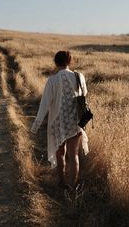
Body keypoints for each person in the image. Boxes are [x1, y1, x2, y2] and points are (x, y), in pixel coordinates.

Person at [30, 51, 89, 189]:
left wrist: (36, 125)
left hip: (57, 122)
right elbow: (84, 95)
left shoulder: (52, 80)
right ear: (70, 61)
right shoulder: (79, 76)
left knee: (60, 154)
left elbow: (44, 104)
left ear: (56, 63)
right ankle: (72, 187)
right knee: (73, 155)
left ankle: (61, 183)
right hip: (76, 122)